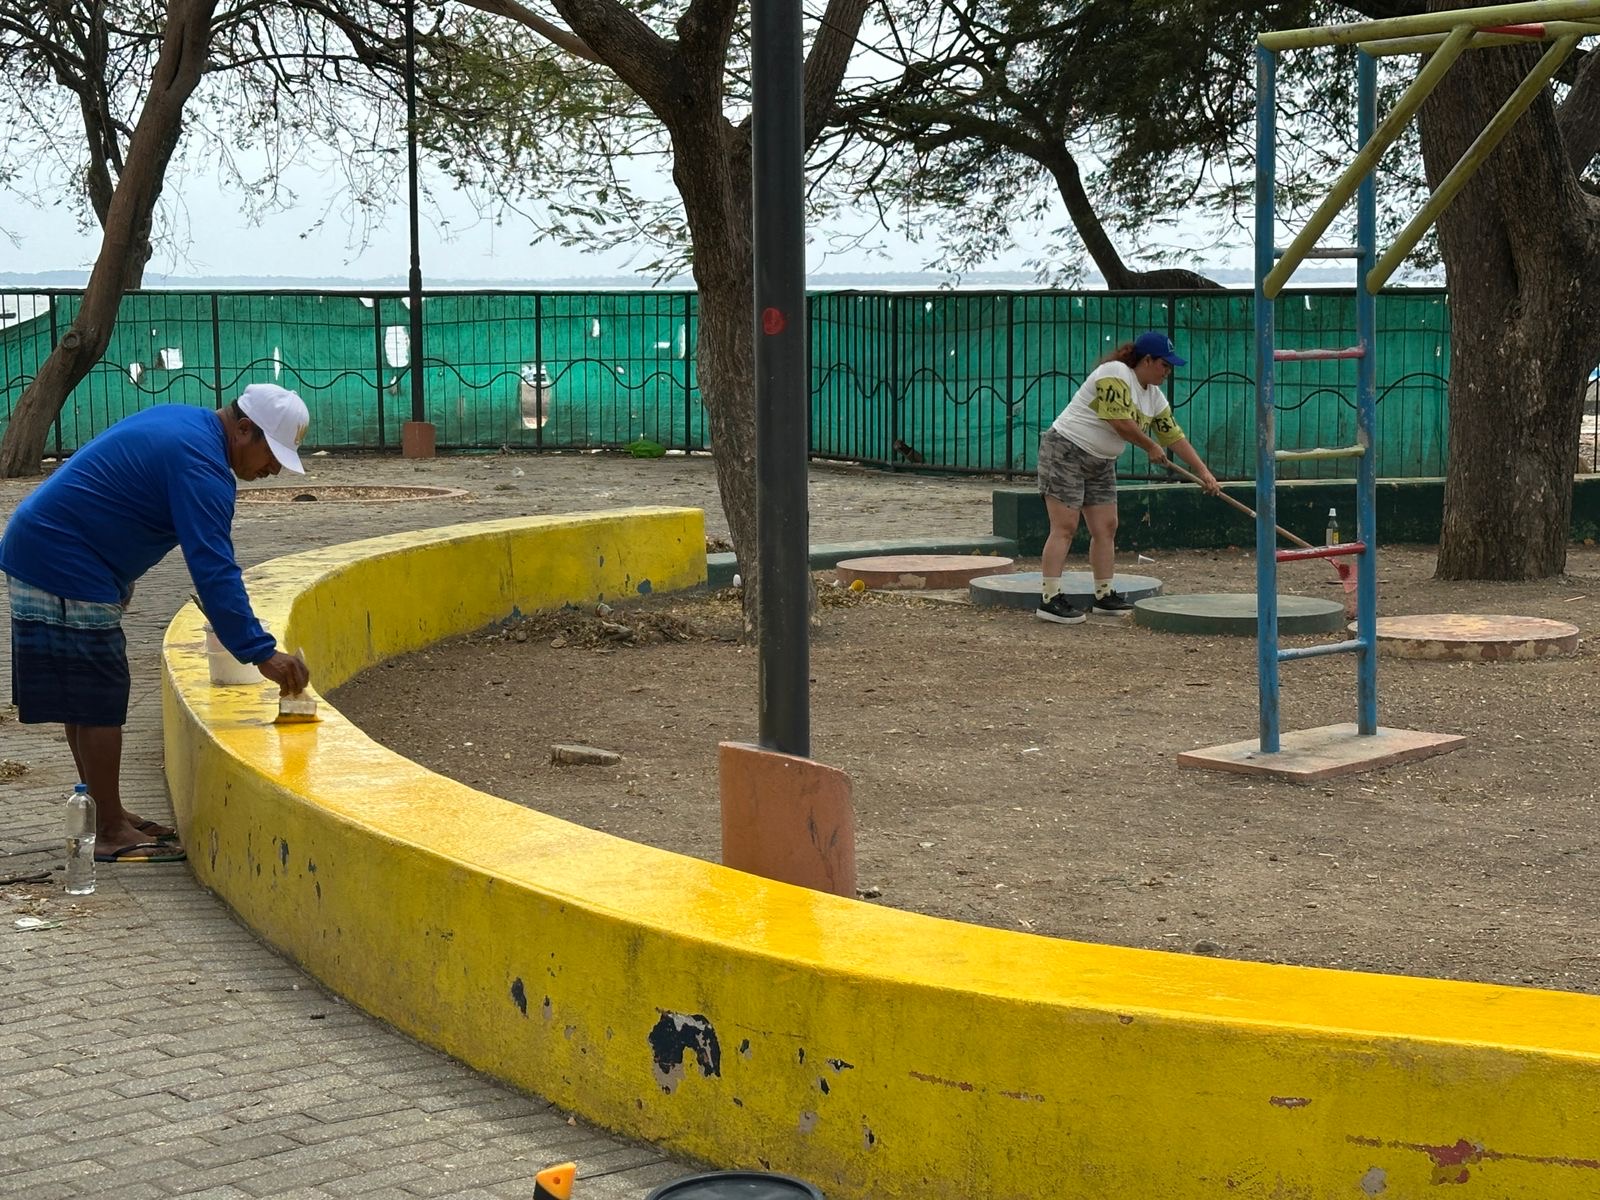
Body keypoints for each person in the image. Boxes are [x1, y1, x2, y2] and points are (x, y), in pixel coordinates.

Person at [1, 384, 313, 863]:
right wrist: (260, 651)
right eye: (272, 454)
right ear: (243, 429)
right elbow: (213, 568)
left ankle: (104, 812)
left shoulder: (187, 425)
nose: (273, 469)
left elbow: (115, 492)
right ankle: (108, 830)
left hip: (51, 550)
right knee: (100, 700)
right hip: (62, 560)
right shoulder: (202, 466)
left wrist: (118, 577)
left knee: (84, 698)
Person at [1035, 331, 1221, 624]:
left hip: (1102, 461)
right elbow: (1118, 420)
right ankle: (1049, 598)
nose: (1167, 372)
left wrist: (1203, 471)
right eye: (1164, 365)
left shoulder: (1154, 396)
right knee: (1065, 526)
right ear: (1146, 360)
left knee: (1106, 526)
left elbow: (1173, 436)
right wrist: (1150, 446)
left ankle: (1104, 594)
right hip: (1066, 451)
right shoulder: (1115, 373)